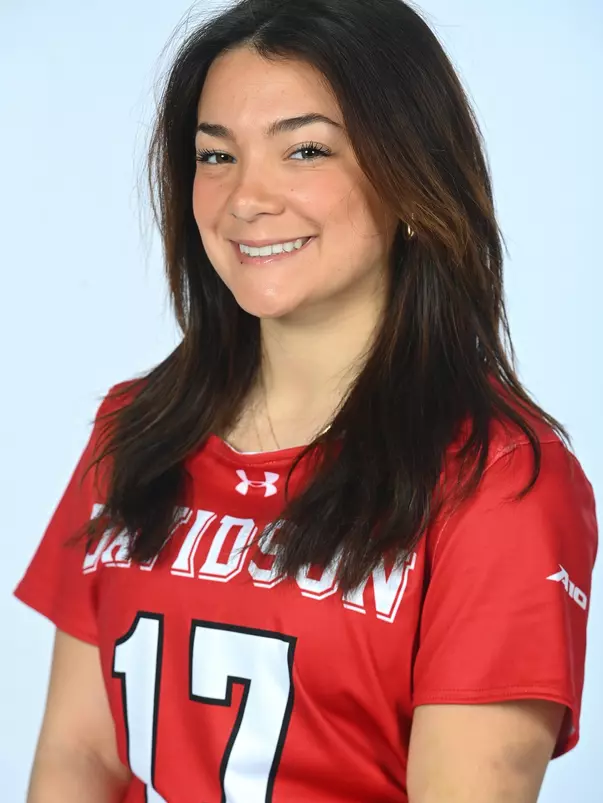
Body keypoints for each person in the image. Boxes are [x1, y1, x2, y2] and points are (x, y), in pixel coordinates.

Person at [15, 0, 598, 801]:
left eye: (305, 150)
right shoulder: (135, 429)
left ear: (410, 176)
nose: (246, 198)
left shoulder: (499, 480)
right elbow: (79, 755)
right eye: (215, 157)